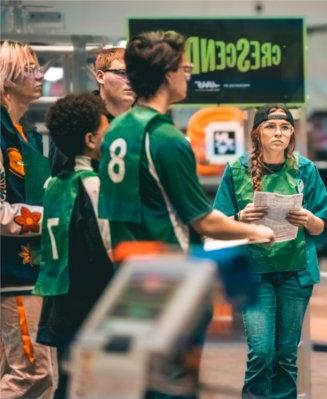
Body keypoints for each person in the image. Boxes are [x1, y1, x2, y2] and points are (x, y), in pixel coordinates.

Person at [98, 31, 274, 399]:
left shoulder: (117, 129)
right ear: (166, 75)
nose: (188, 76)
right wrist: (257, 232)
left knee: (142, 380)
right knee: (173, 383)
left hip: (128, 274)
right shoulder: (167, 139)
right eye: (185, 68)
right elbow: (203, 220)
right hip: (171, 277)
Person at [213, 104, 327, 398]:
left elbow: (320, 227)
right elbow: (217, 225)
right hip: (254, 273)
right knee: (262, 353)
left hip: (296, 271)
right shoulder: (236, 170)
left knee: (286, 356)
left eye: (285, 128)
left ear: (292, 134)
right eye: (270, 127)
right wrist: (240, 219)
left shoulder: (306, 169)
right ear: (257, 132)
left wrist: (308, 218)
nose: (278, 133)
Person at [33, 93, 113, 399]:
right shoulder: (94, 184)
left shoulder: (52, 185)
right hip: (93, 304)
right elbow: (110, 246)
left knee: (68, 385)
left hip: (60, 303)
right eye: (107, 133)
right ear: (91, 140)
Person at [0, 40, 56, 399]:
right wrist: (50, 217)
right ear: (5, 76)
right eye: (30, 67)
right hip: (13, 277)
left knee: (32, 375)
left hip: (33, 271)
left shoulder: (28, 136)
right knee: (33, 373)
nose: (40, 74)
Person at [50, 47, 135, 176]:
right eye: (122, 73)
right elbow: (61, 178)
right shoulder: (78, 119)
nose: (130, 81)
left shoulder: (141, 121)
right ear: (101, 77)